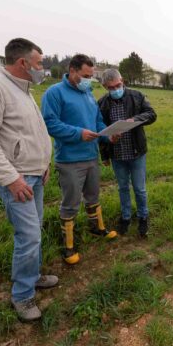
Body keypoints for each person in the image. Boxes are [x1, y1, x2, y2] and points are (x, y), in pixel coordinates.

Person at [0, 38, 58, 322]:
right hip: (17, 179)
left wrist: (44, 163)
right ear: (23, 63)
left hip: (35, 174)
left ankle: (33, 276)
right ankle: (22, 295)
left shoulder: (24, 89)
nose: (42, 68)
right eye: (40, 63)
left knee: (36, 230)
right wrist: (10, 179)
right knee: (28, 235)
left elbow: (31, 133)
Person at [41, 54, 117, 265]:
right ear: (72, 70)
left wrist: (107, 133)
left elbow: (97, 121)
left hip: (91, 156)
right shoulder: (54, 93)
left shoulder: (88, 94)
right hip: (70, 159)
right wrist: (78, 133)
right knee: (71, 202)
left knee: (93, 195)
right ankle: (68, 245)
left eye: (91, 76)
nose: (88, 79)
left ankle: (97, 228)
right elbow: (49, 124)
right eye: (85, 75)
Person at [98, 69, 157, 238]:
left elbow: (152, 114)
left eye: (118, 85)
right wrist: (105, 155)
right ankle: (125, 218)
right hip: (117, 155)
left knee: (139, 188)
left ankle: (143, 216)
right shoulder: (102, 104)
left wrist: (135, 120)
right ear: (105, 86)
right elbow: (101, 130)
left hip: (136, 152)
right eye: (111, 87)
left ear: (122, 81)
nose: (116, 89)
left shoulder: (136, 96)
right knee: (122, 187)